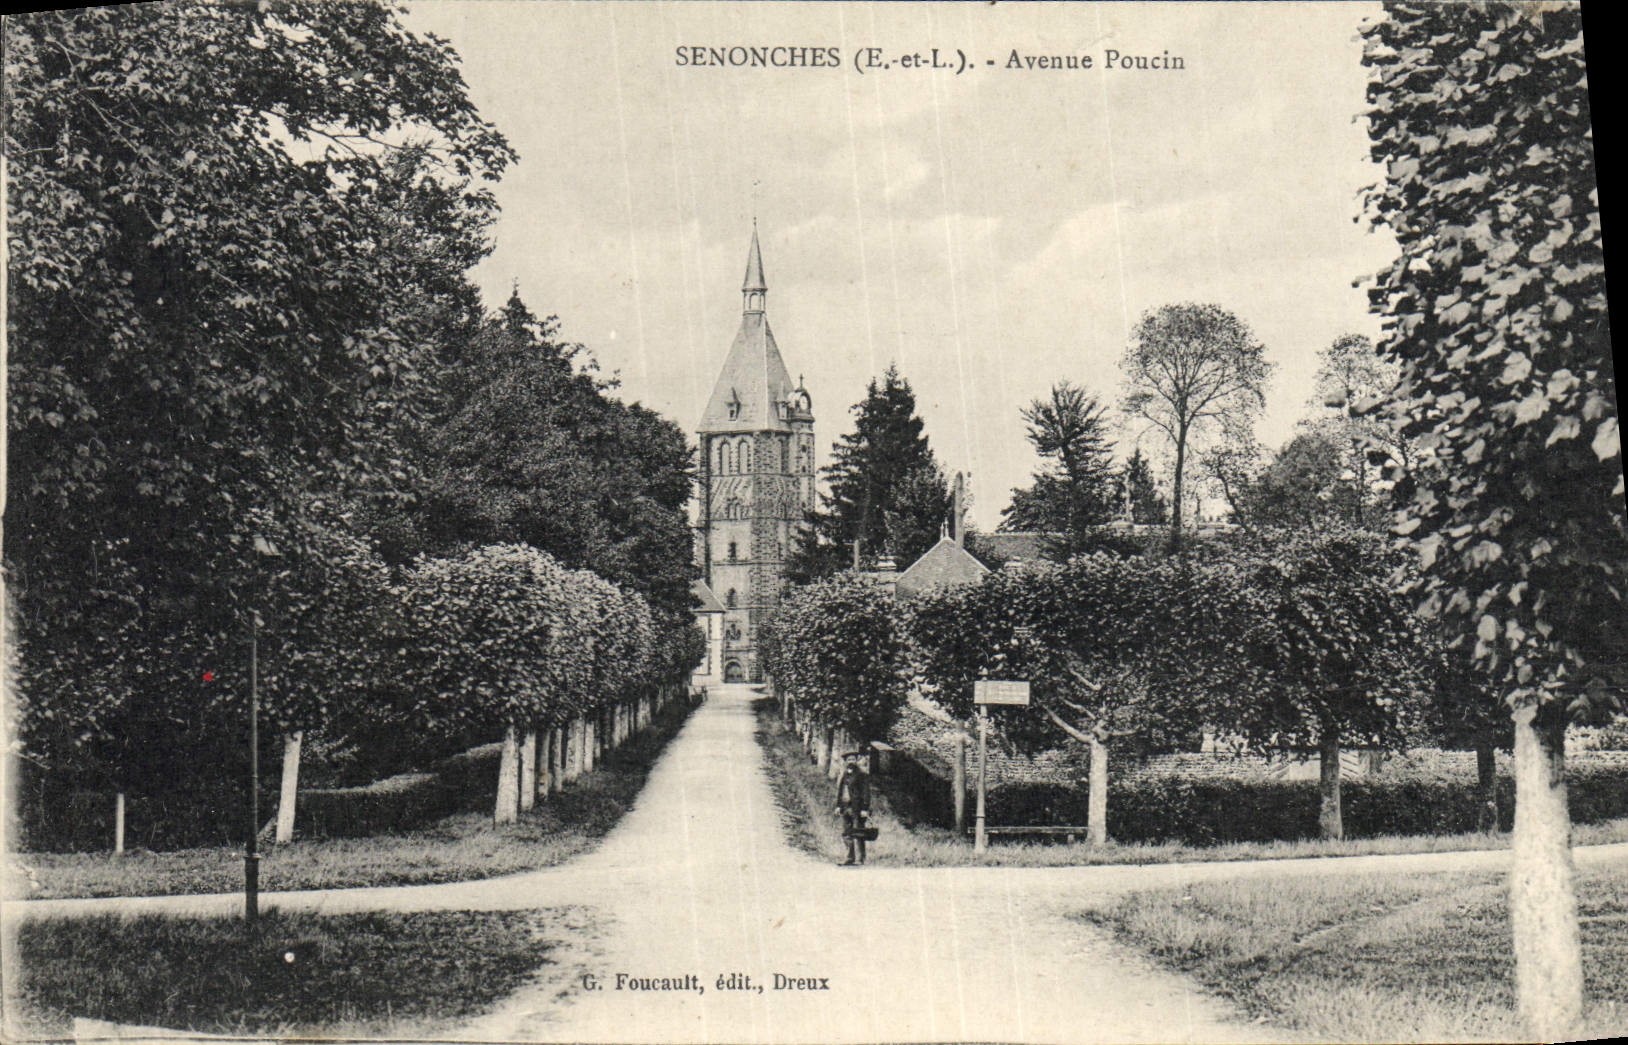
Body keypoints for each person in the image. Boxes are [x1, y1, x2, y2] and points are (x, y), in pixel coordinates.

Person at [833, 750, 872, 866]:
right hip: (845, 807)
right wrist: (838, 806)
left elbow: (866, 792)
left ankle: (860, 859)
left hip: (857, 808)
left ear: (856, 761)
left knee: (858, 832)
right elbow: (840, 791)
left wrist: (865, 808)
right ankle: (849, 858)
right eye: (849, 760)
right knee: (846, 833)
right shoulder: (845, 774)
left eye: (853, 759)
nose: (851, 762)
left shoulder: (862, 774)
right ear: (846, 761)